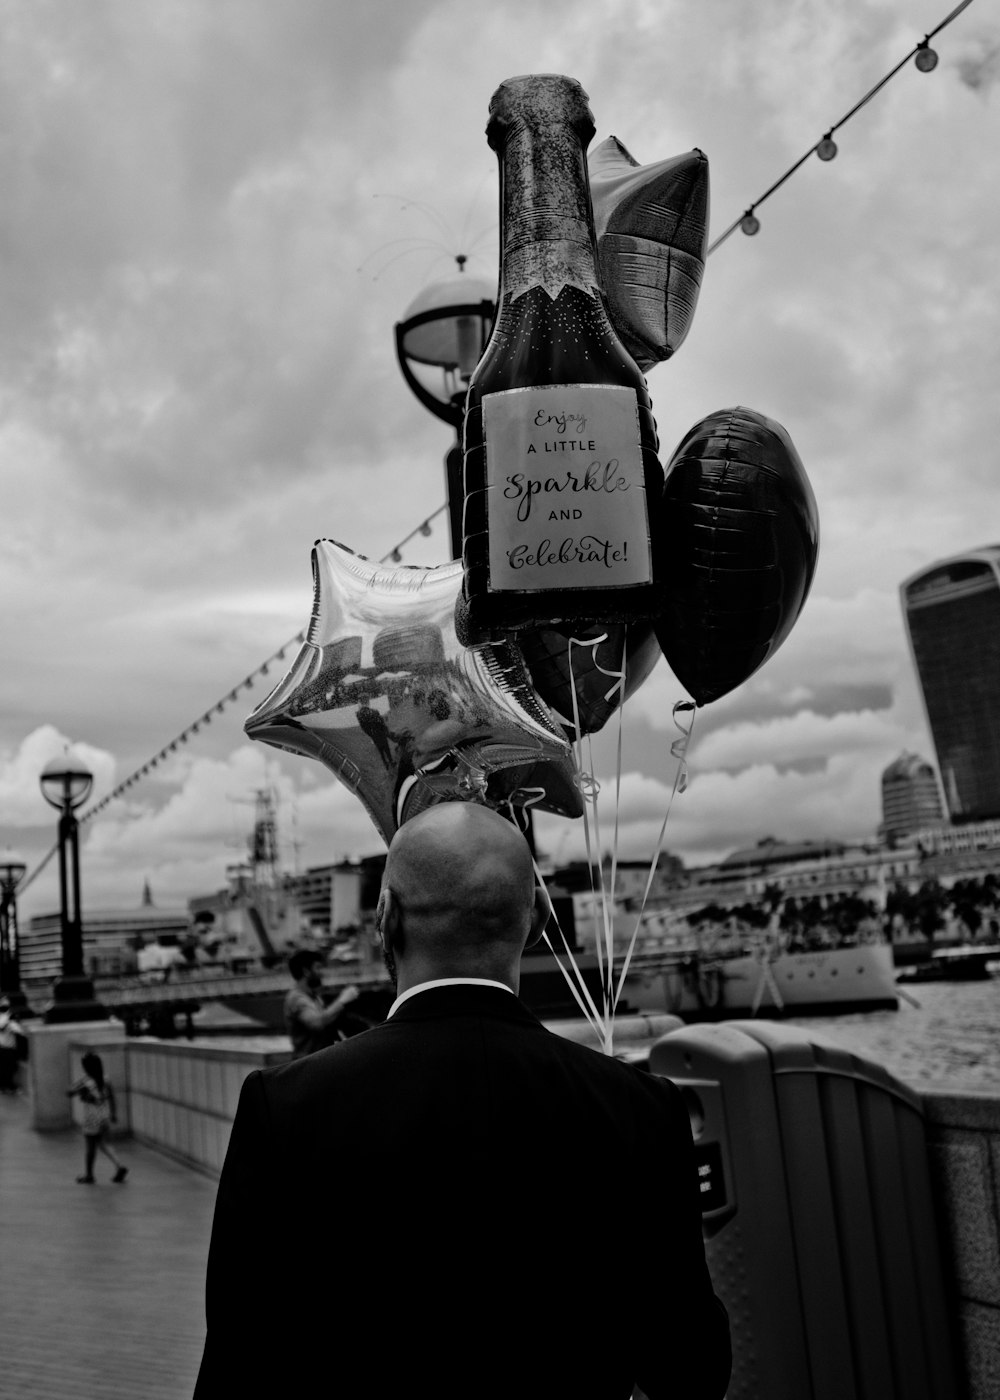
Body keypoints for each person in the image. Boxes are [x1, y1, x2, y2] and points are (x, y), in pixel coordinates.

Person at [194, 805, 731, 1400]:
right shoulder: (642, 1105)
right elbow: (690, 1367)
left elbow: (237, 1366)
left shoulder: (284, 1106)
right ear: (539, 917)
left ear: (384, 916)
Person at [282, 949, 360, 1058]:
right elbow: (317, 1022)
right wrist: (342, 1000)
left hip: (319, 1060)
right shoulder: (296, 998)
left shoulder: (314, 996)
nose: (322, 972)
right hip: (308, 1063)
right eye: (318, 967)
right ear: (306, 971)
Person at [67, 1050, 128, 1184]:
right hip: (104, 1114)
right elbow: (111, 1097)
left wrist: (80, 1087)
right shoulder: (105, 1079)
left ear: (87, 1067)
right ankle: (119, 1165)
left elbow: (69, 1092)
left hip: (91, 1117)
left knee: (90, 1147)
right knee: (103, 1143)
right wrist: (113, 1114)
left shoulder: (86, 1082)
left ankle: (89, 1175)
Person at [0, 996, 24, 1093]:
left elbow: (19, 1030)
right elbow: (1, 1026)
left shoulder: (9, 1019)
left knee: (9, 1068)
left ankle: (7, 1087)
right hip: (5, 1048)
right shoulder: (6, 1017)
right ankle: (8, 1087)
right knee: (6, 1069)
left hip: (8, 1047)